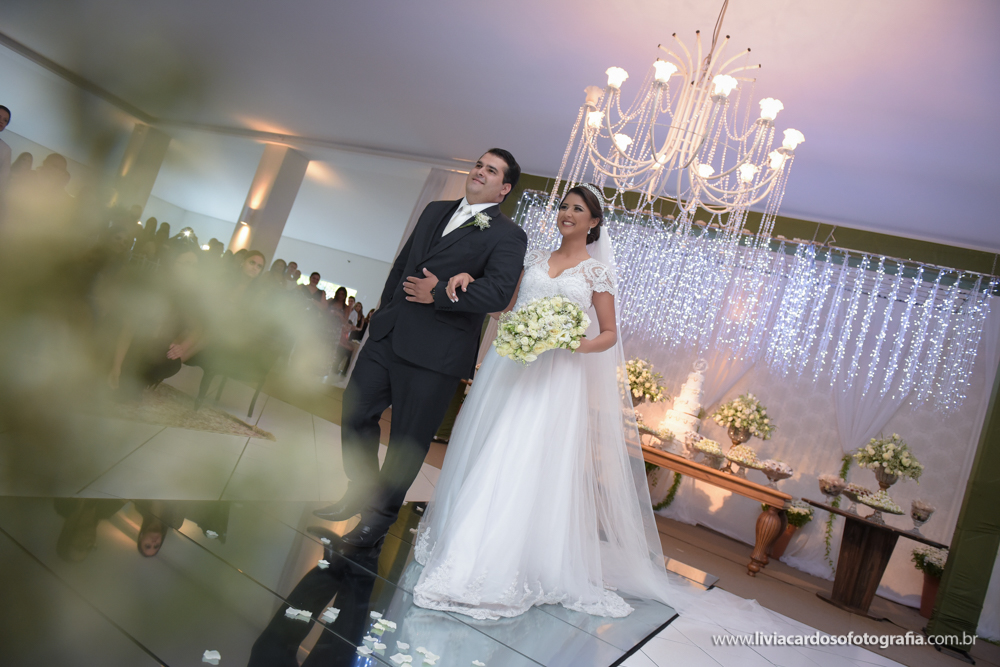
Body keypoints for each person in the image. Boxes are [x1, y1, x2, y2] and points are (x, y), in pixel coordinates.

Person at [410, 184, 673, 620]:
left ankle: (510, 556)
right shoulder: (533, 259)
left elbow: (609, 334)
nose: (567, 213)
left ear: (594, 222)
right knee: (492, 447)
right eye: (564, 206)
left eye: (578, 209)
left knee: (526, 456)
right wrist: (471, 283)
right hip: (511, 367)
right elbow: (505, 309)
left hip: (556, 378)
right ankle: (466, 543)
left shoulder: (597, 273)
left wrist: (573, 342)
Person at [312, 149, 527, 547]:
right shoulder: (434, 210)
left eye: (492, 170)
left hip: (436, 353)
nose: (480, 171)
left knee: (407, 441)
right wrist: (384, 313)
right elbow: (402, 266)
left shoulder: (508, 235)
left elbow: (498, 293)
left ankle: (379, 518)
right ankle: (360, 488)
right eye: (479, 164)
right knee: (355, 412)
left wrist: (439, 293)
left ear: (504, 189)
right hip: (389, 335)